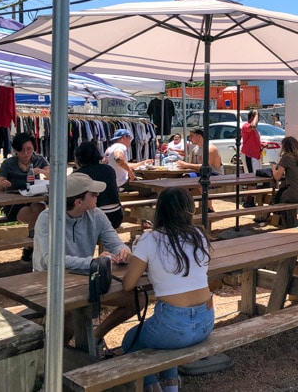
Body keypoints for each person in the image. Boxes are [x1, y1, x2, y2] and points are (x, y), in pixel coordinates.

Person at [122, 187, 214, 392]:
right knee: (168, 341)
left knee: (130, 340)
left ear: (160, 210)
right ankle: (171, 388)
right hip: (205, 322)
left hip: (172, 324)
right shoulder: (199, 235)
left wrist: (138, 261)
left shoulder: (149, 239)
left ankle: (150, 385)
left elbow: (128, 284)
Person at [32, 173, 136, 345]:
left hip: (85, 278)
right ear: (78, 202)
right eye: (93, 194)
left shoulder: (97, 215)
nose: (98, 196)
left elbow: (115, 242)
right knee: (71, 309)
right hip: (49, 279)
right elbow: (52, 260)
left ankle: (94, 339)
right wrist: (93, 262)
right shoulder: (46, 218)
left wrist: (123, 251)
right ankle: (59, 354)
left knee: (136, 299)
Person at [0, 131, 50, 263]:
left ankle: (30, 245)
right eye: (22, 151)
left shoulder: (39, 160)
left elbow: (53, 174)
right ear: (16, 151)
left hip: (34, 199)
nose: (26, 154)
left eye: (29, 149)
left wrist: (42, 171)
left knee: (39, 207)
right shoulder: (9, 163)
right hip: (14, 203)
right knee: (39, 216)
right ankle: (32, 245)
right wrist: (2, 184)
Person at [75, 141, 124, 229]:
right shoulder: (109, 169)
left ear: (79, 157)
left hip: (97, 218)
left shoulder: (79, 174)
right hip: (116, 215)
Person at [270, 136, 298, 228]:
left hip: (294, 195)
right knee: (284, 192)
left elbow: (277, 177)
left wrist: (273, 168)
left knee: (280, 197)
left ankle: (290, 225)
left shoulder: (287, 158)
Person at [241, 110, 264, 207]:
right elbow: (253, 126)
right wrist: (256, 114)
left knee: (255, 178)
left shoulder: (255, 130)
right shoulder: (246, 126)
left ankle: (251, 199)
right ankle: (249, 200)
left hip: (255, 155)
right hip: (249, 155)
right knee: (251, 178)